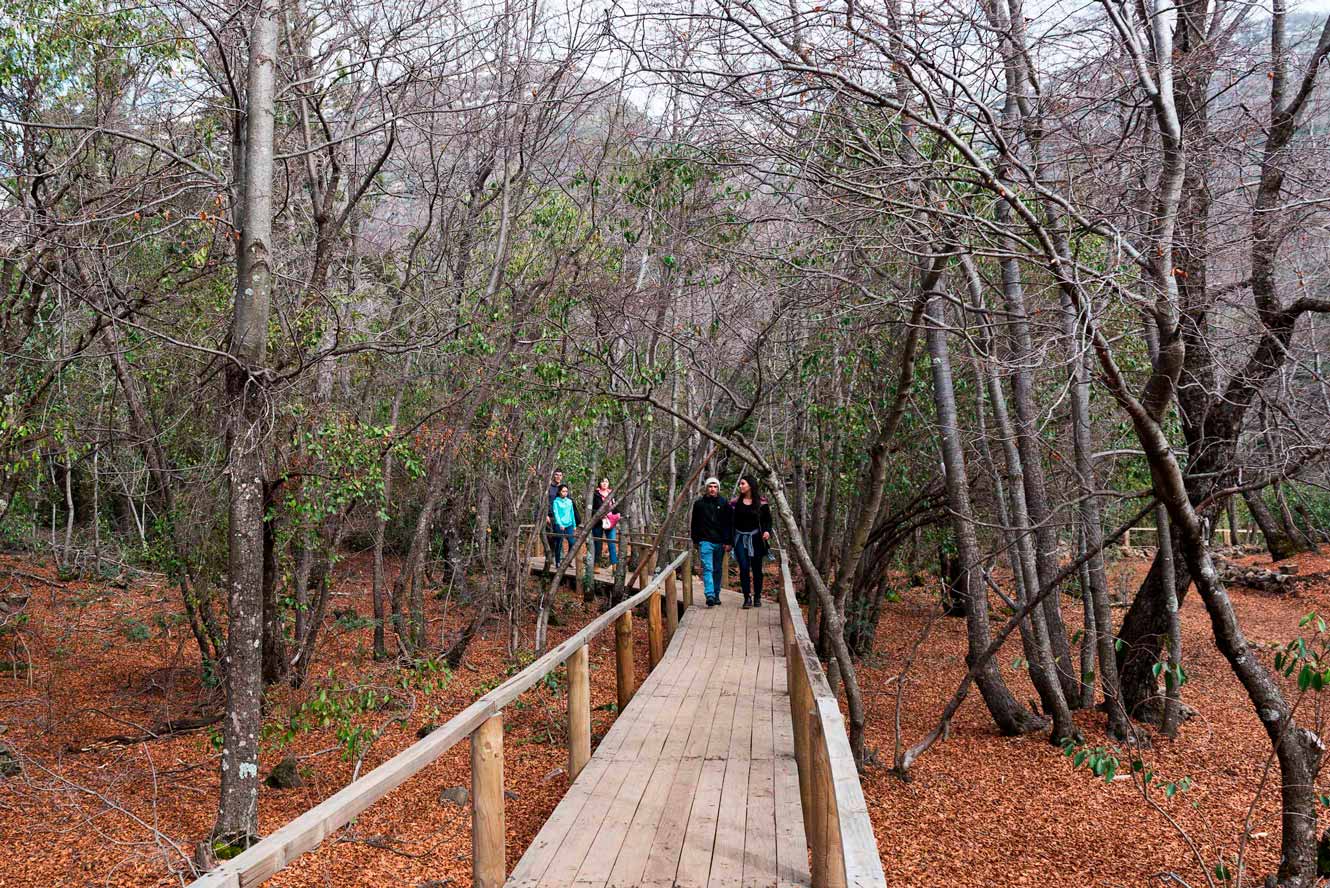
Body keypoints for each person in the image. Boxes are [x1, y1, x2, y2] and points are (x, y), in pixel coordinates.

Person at [731, 475, 772, 609]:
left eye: (743, 483)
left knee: (756, 569)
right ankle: (747, 597)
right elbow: (730, 522)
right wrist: (728, 540)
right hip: (740, 539)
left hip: (756, 539)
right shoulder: (735, 503)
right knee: (743, 568)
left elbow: (767, 520)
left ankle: (757, 596)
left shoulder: (762, 502)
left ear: (750, 485)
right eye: (740, 484)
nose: (740, 486)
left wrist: (767, 531)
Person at [690, 476, 732, 607]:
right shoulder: (699, 504)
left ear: (718, 488)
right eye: (710, 486)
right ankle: (710, 594)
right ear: (706, 488)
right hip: (705, 541)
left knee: (717, 569)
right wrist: (695, 540)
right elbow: (694, 523)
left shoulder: (724, 503)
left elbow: (729, 523)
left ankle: (716, 594)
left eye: (715, 487)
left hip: (720, 542)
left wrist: (728, 541)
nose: (712, 489)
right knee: (708, 568)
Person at [591, 477, 621, 566]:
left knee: (612, 543)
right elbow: (591, 509)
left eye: (606, 481)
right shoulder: (595, 494)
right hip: (598, 522)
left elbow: (616, 507)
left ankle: (614, 565)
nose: (604, 483)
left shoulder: (612, 494)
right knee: (598, 544)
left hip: (611, 521)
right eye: (602, 481)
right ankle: (596, 564)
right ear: (599, 483)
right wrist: (599, 514)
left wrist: (617, 514)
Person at [549, 483, 579, 564]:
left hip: (569, 524)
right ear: (559, 492)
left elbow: (572, 513)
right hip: (559, 525)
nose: (565, 493)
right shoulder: (556, 502)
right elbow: (556, 514)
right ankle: (558, 562)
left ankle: (567, 560)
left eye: (566, 491)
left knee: (572, 542)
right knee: (559, 543)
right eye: (563, 491)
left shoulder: (569, 501)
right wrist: (560, 524)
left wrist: (574, 525)